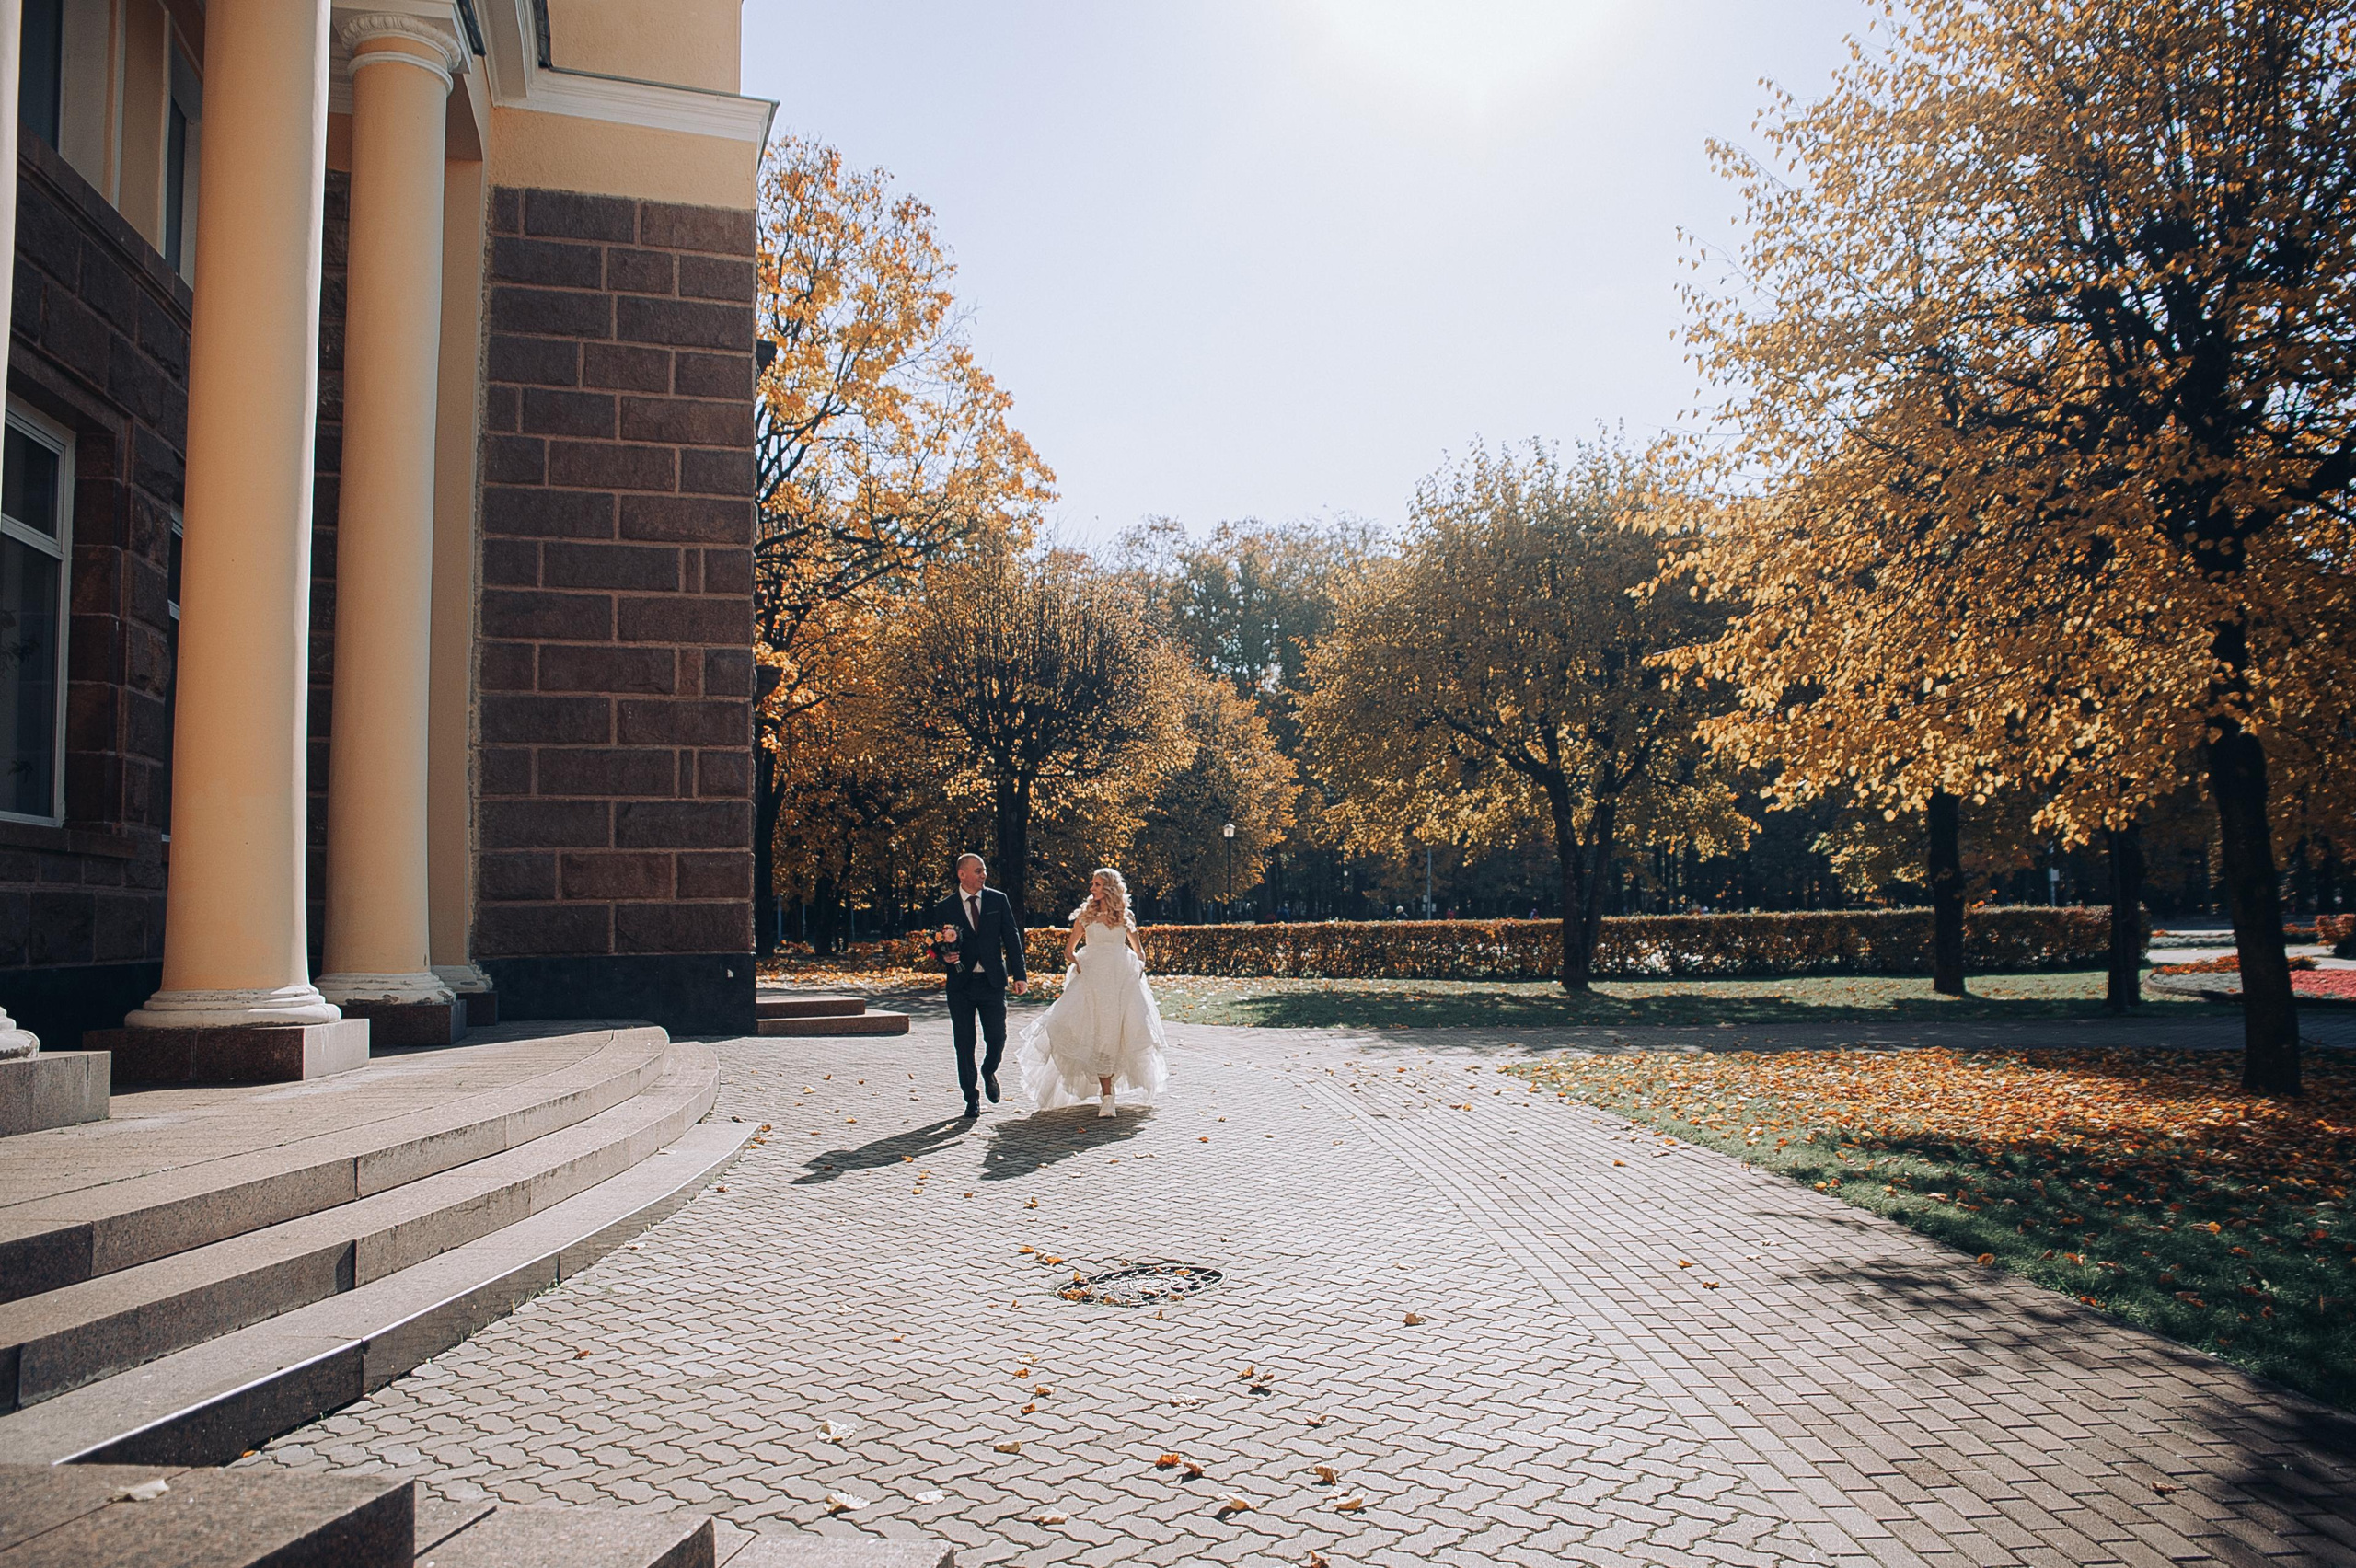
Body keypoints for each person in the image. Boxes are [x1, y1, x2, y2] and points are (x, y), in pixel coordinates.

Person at [1012, 867, 1169, 1119]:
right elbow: (1069, 950)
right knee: (1096, 1033)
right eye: (1092, 884)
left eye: (1096, 884)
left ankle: (1109, 1094)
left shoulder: (1125, 915)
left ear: (1109, 887)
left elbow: (1139, 952)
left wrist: (1138, 968)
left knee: (1119, 1034)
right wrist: (1079, 964)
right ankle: (1107, 1097)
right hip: (1092, 982)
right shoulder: (1085, 916)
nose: (1091, 888)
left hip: (1121, 982)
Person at [931, 853, 1028, 1118]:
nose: (983, 875)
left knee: (997, 1037)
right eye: (977, 871)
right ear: (962, 874)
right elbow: (934, 942)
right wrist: (943, 956)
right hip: (960, 985)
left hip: (992, 982)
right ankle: (971, 1097)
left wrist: (1020, 975)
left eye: (984, 870)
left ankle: (989, 1070)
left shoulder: (998, 900)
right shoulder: (945, 906)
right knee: (964, 1042)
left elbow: (1012, 937)